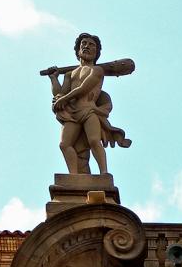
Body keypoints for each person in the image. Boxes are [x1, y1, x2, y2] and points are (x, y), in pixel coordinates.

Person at [44, 33, 131, 175]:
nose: (87, 47)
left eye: (92, 45)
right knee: (64, 145)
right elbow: (61, 93)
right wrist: (53, 78)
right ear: (78, 50)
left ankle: (104, 172)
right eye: (83, 44)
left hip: (89, 110)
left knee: (94, 141)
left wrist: (64, 99)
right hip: (72, 113)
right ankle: (74, 176)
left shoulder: (97, 70)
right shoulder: (69, 74)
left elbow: (84, 88)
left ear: (96, 53)